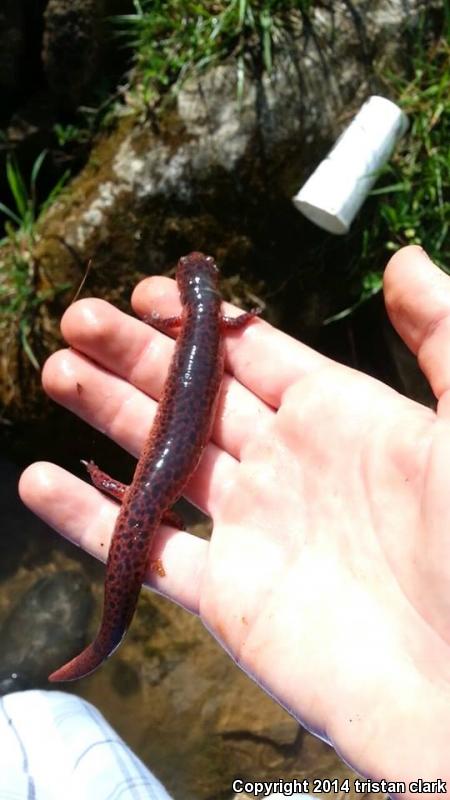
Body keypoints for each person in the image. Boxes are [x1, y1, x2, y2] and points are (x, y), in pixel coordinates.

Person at [17, 245, 450, 798]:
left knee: (144, 503)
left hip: (160, 466)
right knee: (146, 503)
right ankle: (75, 655)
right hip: (169, 460)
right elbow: (243, 320)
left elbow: (182, 321)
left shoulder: (184, 319)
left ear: (185, 291)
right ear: (213, 291)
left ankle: (44, 679)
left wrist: (161, 324)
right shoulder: (220, 319)